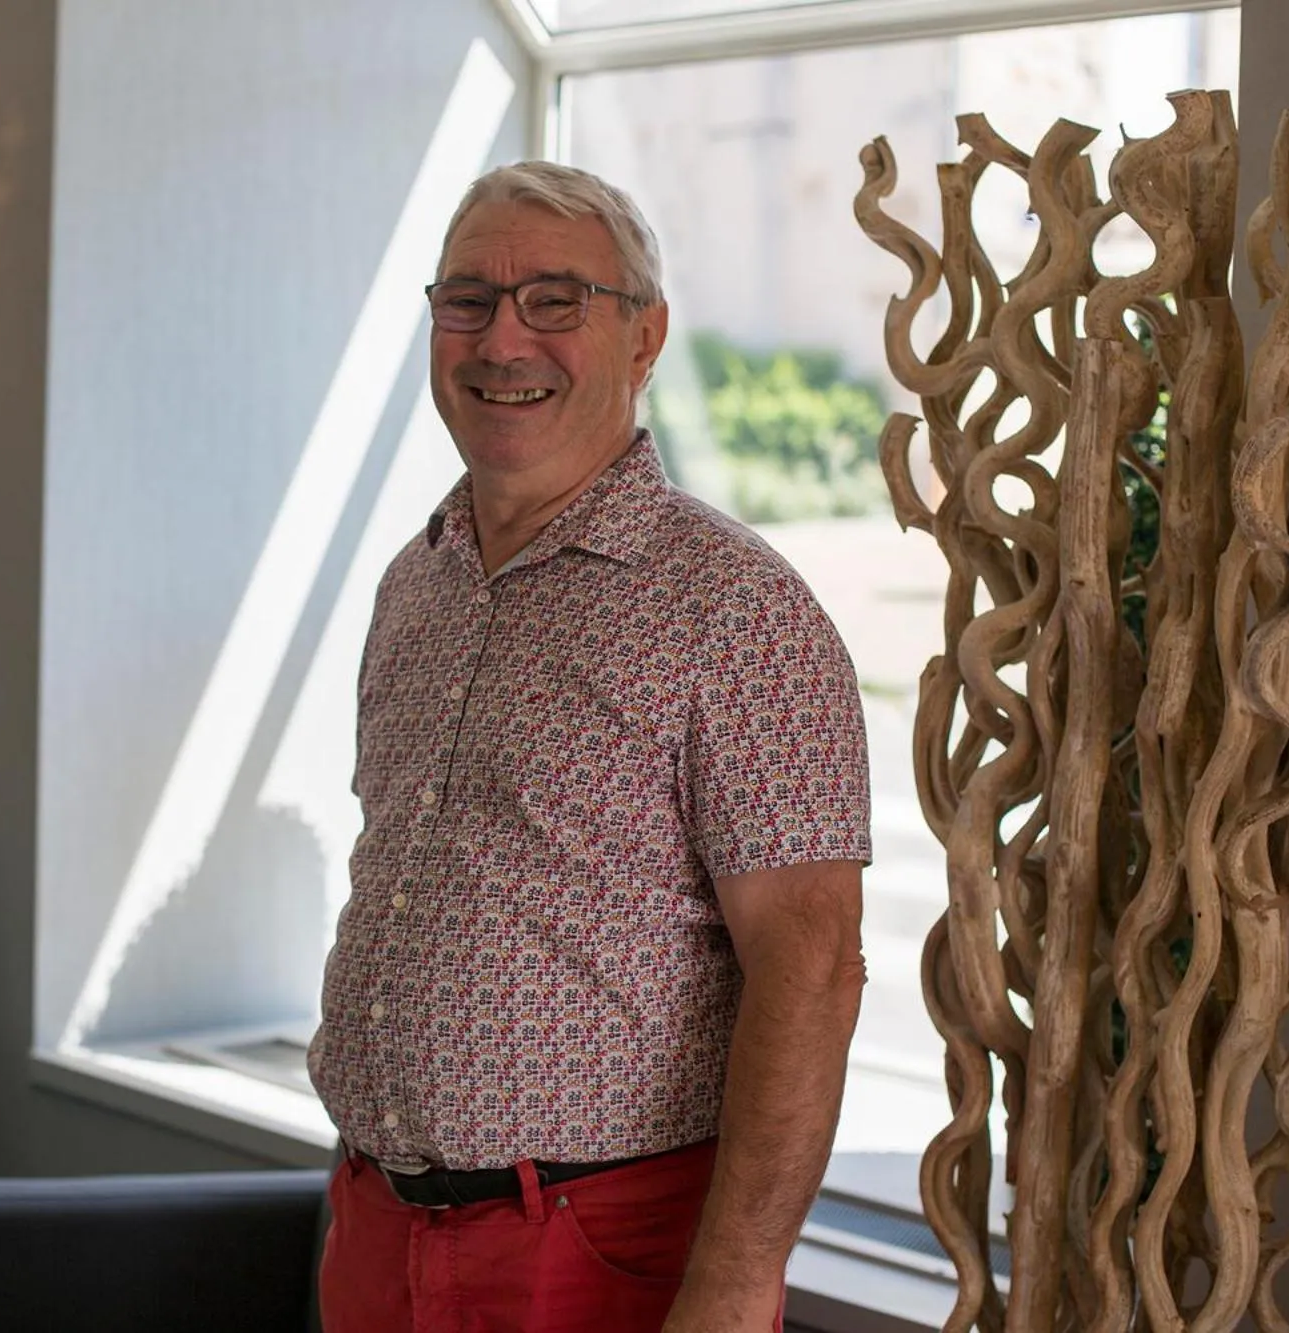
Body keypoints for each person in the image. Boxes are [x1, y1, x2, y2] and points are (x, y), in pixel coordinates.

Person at [307, 160, 872, 1333]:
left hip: (603, 1252)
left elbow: (809, 972)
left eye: (555, 301)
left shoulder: (736, 611)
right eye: (466, 300)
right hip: (375, 1227)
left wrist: (733, 1285)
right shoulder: (415, 582)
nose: (501, 338)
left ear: (645, 336)